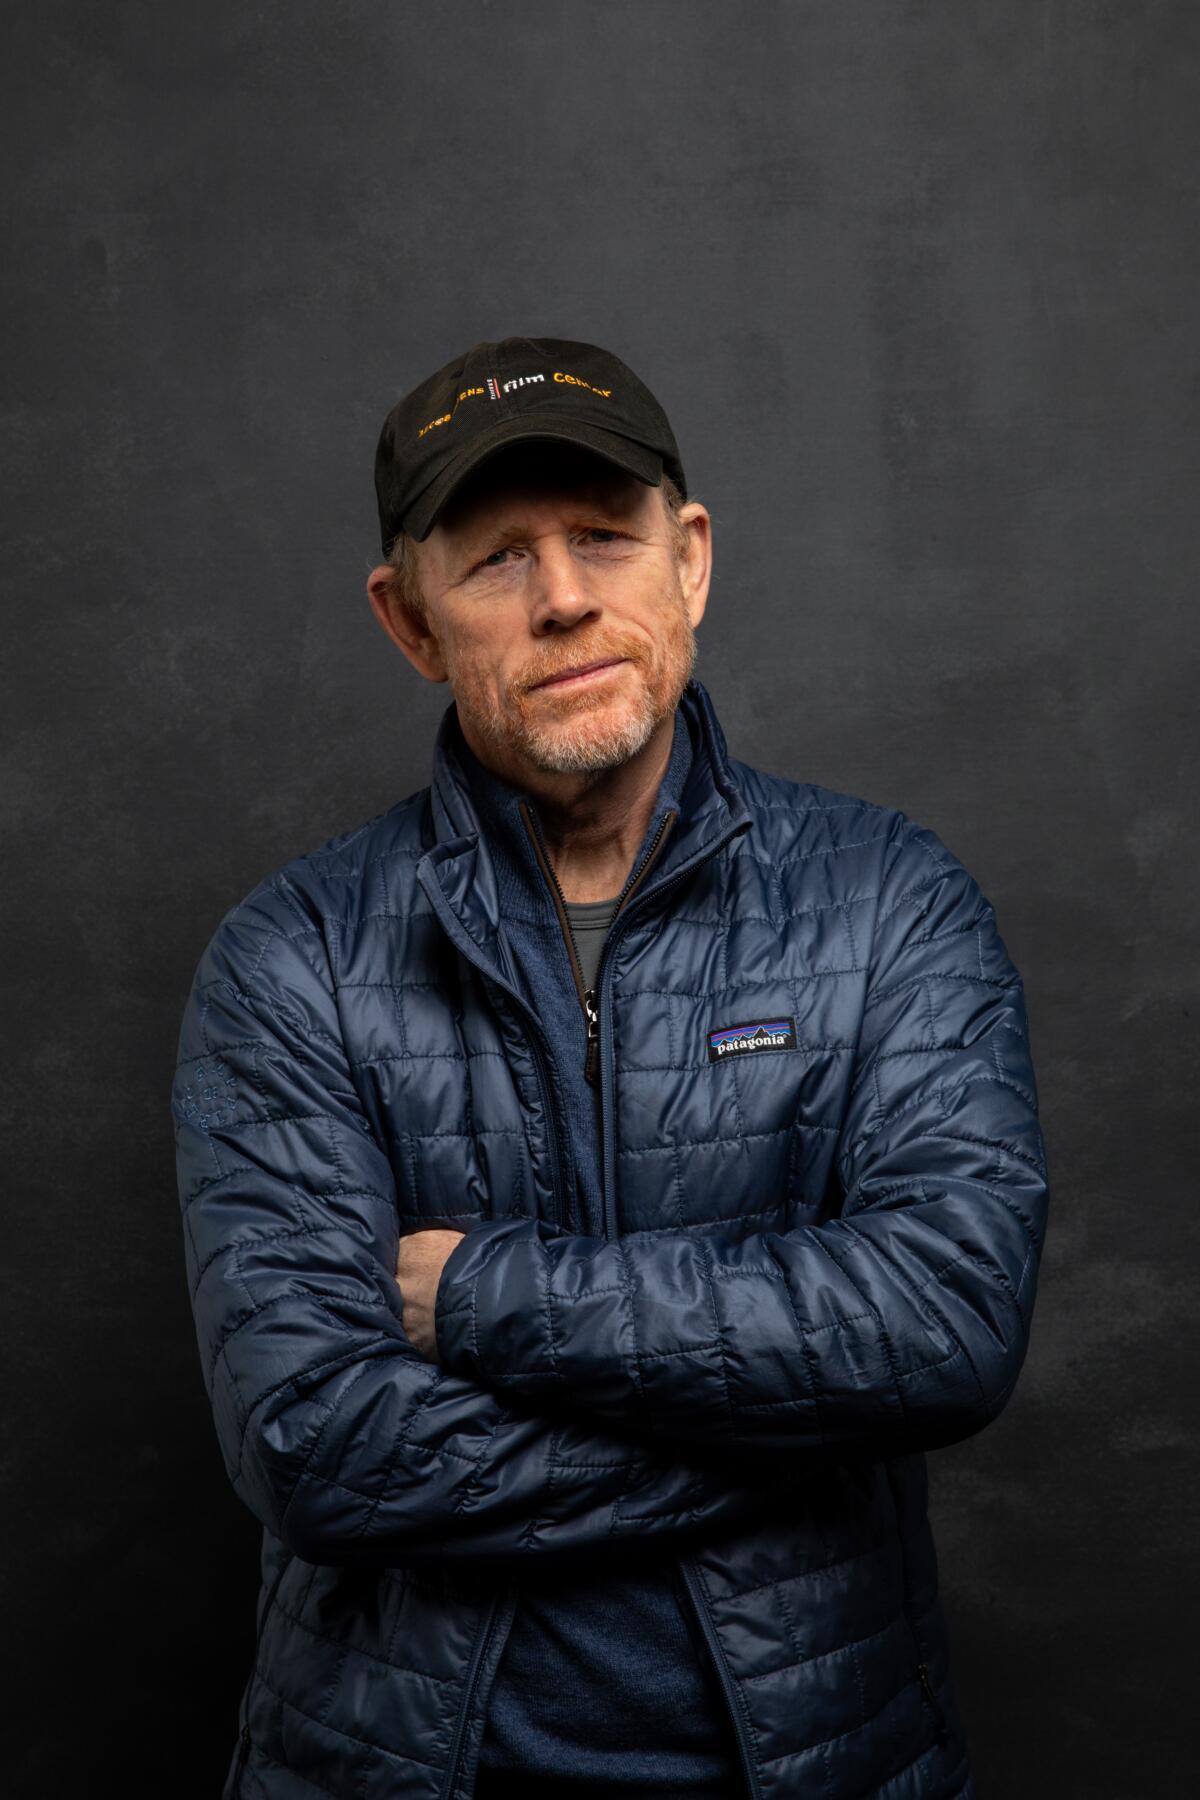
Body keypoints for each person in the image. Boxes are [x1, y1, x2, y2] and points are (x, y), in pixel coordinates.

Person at [172, 334, 1049, 1800]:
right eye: (499, 558)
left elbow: (948, 1318)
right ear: (409, 619)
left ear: (688, 561)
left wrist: (483, 1298)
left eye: (603, 536)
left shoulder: (889, 899)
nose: (566, 595)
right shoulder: (293, 959)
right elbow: (317, 1442)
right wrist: (795, 1431)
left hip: (826, 1767)